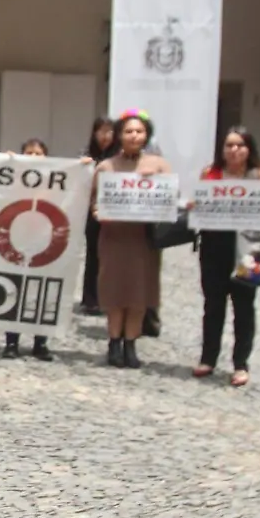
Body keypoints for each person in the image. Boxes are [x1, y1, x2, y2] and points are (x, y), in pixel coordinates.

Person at [191, 127, 260, 387]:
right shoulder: (210, 174)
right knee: (213, 304)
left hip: (249, 247)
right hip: (214, 247)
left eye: (240, 145)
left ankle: (241, 363)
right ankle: (208, 358)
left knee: (244, 307)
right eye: (229, 145)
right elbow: (199, 204)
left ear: (249, 148)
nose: (234, 150)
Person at [91, 109, 171, 369]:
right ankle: (113, 343)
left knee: (139, 293)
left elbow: (170, 198)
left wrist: (156, 183)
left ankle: (131, 345)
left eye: (139, 131)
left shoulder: (159, 165)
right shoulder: (106, 167)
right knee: (115, 291)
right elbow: (93, 202)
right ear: (119, 135)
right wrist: (97, 212)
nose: (134, 136)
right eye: (128, 131)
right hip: (114, 238)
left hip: (143, 240)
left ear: (147, 135)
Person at [0, 138, 56, 361]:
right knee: (14, 290)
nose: (33, 157)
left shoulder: (55, 180)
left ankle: (40, 342)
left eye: (38, 153)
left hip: (46, 241)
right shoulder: (14, 179)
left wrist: (83, 165)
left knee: (42, 293)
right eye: (28, 153)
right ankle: (11, 342)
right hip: (17, 238)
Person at [79, 117, 114, 315]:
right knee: (93, 255)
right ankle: (90, 298)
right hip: (91, 213)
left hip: (115, 213)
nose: (105, 136)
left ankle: (109, 298)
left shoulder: (120, 157)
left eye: (109, 131)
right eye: (101, 131)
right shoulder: (86, 154)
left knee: (112, 257)